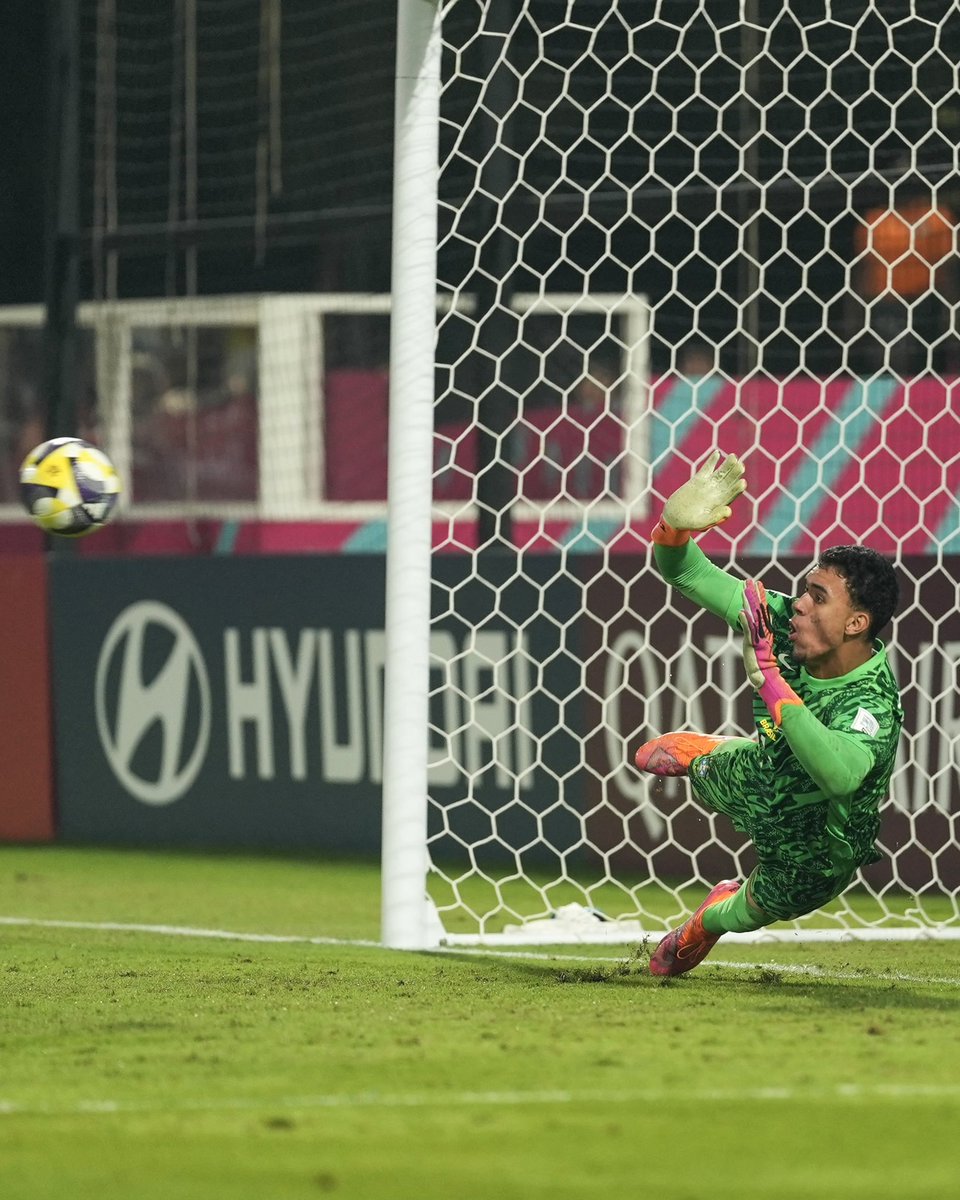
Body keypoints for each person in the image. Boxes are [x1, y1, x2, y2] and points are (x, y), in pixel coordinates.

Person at [634, 450, 903, 976]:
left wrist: (771, 680)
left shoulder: (871, 703)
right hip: (762, 772)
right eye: (804, 590)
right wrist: (672, 530)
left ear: (856, 624)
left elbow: (840, 776)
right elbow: (687, 573)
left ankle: (708, 919)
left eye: (818, 597)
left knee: (740, 917)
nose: (800, 603)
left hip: (820, 847)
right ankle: (713, 755)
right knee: (649, 755)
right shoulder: (780, 619)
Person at [850, 175, 958, 376]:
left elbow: (948, 269)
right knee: (888, 359)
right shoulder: (876, 221)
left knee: (928, 359)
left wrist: (951, 309)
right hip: (886, 304)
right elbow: (862, 270)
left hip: (927, 303)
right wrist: (856, 312)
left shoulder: (937, 218)